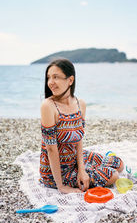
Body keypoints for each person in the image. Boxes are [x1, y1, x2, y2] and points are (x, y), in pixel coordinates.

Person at [39, 58, 124, 194]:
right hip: (56, 171)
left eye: (56, 77)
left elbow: (78, 140)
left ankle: (89, 169)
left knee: (119, 164)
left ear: (70, 80)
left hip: (75, 158)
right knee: (113, 175)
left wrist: (82, 169)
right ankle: (81, 175)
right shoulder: (48, 106)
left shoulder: (80, 104)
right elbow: (51, 149)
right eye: (49, 78)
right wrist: (61, 187)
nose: (50, 83)